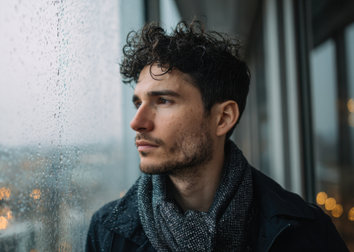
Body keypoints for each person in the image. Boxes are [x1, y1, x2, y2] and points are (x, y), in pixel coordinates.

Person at [86, 21, 348, 251]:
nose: (137, 122)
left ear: (223, 118)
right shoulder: (107, 232)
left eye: (163, 101)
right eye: (137, 103)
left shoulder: (305, 232)